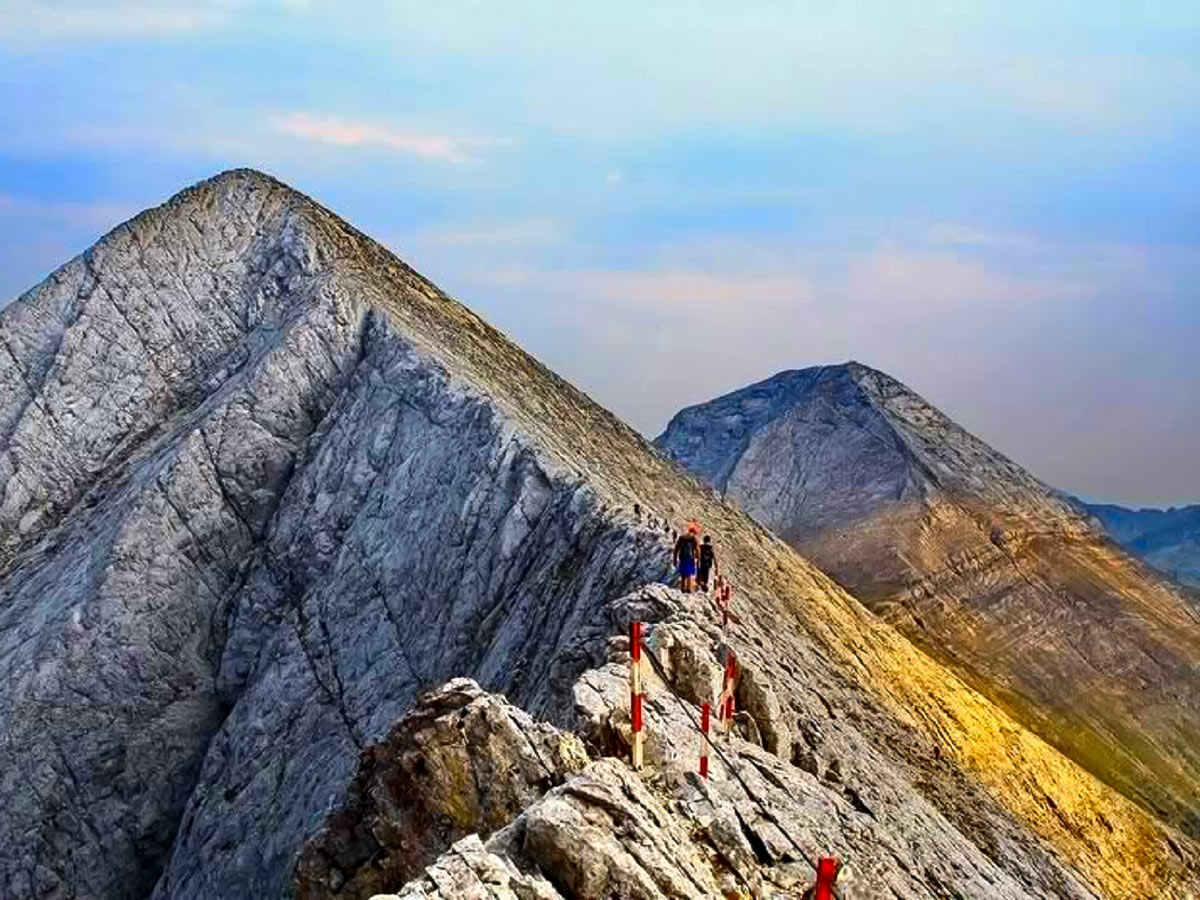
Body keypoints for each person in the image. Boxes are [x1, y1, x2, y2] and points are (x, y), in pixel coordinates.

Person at [673, 522, 701, 593]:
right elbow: (697, 550)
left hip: (682, 557)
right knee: (689, 574)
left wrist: (675, 559)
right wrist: (698, 560)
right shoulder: (693, 538)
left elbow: (676, 549)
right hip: (690, 558)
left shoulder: (682, 537)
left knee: (683, 574)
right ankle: (688, 588)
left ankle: (682, 588)